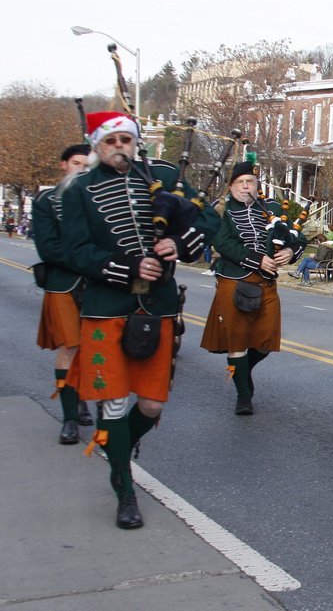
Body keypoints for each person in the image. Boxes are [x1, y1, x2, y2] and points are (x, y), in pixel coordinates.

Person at [61, 111, 220, 529]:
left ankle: (118, 446)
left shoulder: (159, 181)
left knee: (151, 403)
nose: (119, 147)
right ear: (97, 145)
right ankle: (124, 487)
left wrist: (178, 243)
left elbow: (208, 220)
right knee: (112, 401)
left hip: (157, 309)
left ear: (135, 144)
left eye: (125, 140)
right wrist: (127, 267)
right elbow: (74, 251)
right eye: (110, 140)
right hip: (105, 308)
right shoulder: (80, 190)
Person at [200, 159, 305, 416]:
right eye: (240, 183)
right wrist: (257, 259)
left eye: (250, 182)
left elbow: (298, 236)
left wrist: (290, 251)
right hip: (234, 281)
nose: (246, 187)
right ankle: (243, 396)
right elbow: (223, 244)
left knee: (265, 341)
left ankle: (242, 371)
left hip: (265, 284)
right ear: (232, 186)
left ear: (257, 185)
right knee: (237, 340)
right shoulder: (222, 210)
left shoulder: (271, 208)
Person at [34, 144, 94, 444]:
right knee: (70, 348)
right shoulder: (46, 200)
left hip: (98, 284)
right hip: (64, 283)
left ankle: (81, 396)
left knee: (94, 348)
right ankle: (70, 418)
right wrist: (89, 259)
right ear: (64, 165)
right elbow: (48, 248)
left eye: (87, 165)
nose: (81, 169)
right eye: (76, 163)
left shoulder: (102, 200)